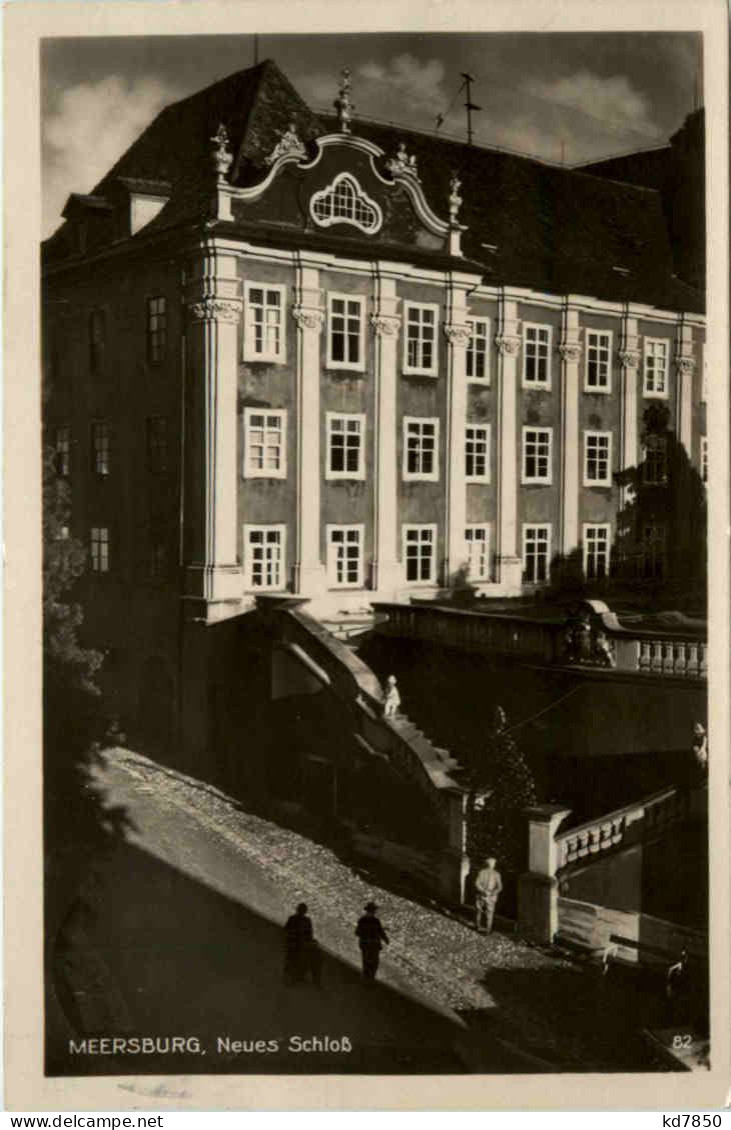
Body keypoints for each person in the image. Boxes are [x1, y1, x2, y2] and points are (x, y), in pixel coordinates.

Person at [284, 902, 318, 985]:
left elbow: (286, 930)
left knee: (297, 960)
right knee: (295, 960)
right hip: (297, 943)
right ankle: (294, 976)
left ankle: (295, 976)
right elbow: (309, 933)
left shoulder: (294, 918)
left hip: (298, 943)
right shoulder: (304, 920)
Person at [355, 901, 389, 981]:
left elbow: (357, 932)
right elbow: (380, 931)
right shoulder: (375, 920)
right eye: (373, 910)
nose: (373, 912)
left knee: (366, 962)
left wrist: (365, 936)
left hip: (365, 944)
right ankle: (370, 979)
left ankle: (366, 978)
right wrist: (385, 939)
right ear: (373, 911)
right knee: (374, 963)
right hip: (373, 945)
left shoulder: (362, 920)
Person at [474, 857, 503, 934]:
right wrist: (493, 893)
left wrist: (483, 891)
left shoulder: (481, 872)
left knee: (479, 911)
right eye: (494, 864)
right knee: (489, 913)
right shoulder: (497, 874)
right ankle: (488, 929)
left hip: (481, 894)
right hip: (491, 896)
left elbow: (477, 883)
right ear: (493, 865)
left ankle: (478, 926)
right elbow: (500, 887)